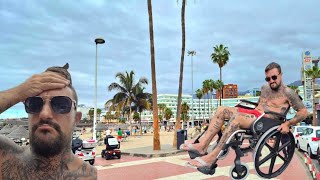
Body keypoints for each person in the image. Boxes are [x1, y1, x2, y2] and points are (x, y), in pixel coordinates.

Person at [181, 62, 308, 168]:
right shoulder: (264, 88)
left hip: (266, 121)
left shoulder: (289, 92)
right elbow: (259, 105)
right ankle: (203, 146)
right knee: (221, 110)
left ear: (281, 75)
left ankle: (211, 157)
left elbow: (303, 112)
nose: (271, 81)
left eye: (274, 77)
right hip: (255, 114)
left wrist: (288, 123)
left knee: (237, 119)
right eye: (268, 78)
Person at [0, 63, 97, 179]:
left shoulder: (88, 175)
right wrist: (19, 92)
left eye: (61, 104)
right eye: (34, 104)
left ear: (76, 119)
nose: (44, 114)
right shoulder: (6, 158)